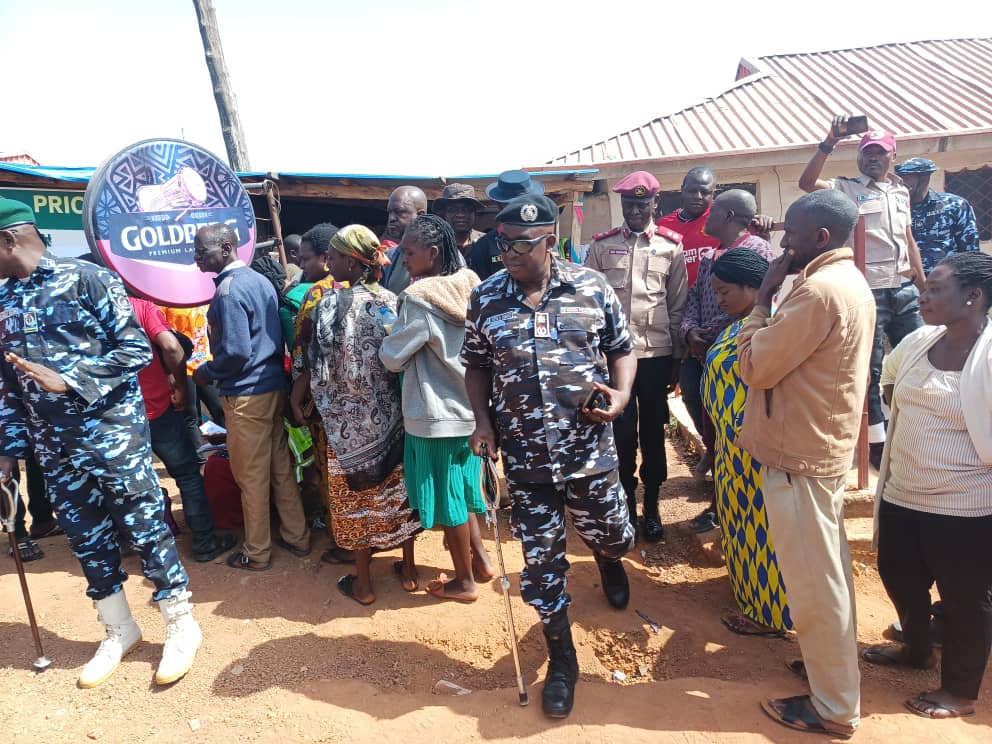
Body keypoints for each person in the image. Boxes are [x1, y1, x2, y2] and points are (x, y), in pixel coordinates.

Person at [0, 197, 201, 688]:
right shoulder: (4, 300)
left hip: (112, 436)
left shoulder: (86, 279)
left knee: (145, 527)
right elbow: (8, 383)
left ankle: (180, 625)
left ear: (7, 240)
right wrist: (6, 451)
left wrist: (68, 379)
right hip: (54, 446)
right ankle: (119, 628)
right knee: (85, 536)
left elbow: (135, 348)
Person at [462, 194, 637, 719]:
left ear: (549, 241)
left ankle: (608, 560)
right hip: (525, 459)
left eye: (519, 246)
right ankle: (563, 660)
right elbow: (475, 366)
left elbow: (622, 347)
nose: (507, 255)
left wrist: (623, 395)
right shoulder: (486, 297)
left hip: (588, 450)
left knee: (614, 534)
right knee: (541, 565)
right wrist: (483, 422)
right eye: (501, 244)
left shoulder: (590, 286)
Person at [737, 190, 875, 738]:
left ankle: (835, 707)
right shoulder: (846, 282)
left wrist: (761, 300)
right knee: (827, 575)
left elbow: (755, 365)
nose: (781, 238)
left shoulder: (816, 291)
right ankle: (831, 673)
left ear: (820, 237)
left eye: (790, 230)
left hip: (801, 456)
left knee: (817, 586)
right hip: (816, 448)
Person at [862, 252, 992, 720]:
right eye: (926, 287)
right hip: (902, 494)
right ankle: (917, 650)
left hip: (965, 507)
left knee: (964, 600)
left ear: (973, 297)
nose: (924, 295)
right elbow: (890, 378)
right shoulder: (920, 340)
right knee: (900, 577)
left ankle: (960, 691)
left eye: (937, 289)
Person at [302, 224, 421, 605]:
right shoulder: (392, 301)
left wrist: (312, 404)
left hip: (345, 428)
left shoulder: (327, 306)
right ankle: (409, 570)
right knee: (398, 495)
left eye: (335, 257)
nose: (330, 263)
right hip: (391, 419)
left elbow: (317, 369)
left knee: (355, 503)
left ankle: (365, 584)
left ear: (353, 263)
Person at [799, 119, 926, 468]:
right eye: (867, 153)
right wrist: (829, 141)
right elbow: (807, 184)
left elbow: (909, 239)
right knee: (868, 367)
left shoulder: (901, 192)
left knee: (917, 359)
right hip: (869, 290)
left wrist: (924, 284)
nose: (873, 159)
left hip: (903, 289)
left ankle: (914, 429)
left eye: (880, 153)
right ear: (858, 157)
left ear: (892, 156)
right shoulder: (847, 188)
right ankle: (876, 442)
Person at [379, 215, 493, 603]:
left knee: (447, 500)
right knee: (461, 488)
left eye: (409, 252)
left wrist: (385, 335)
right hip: (471, 411)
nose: (403, 258)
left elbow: (393, 358)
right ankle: (480, 561)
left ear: (432, 253)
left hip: (435, 415)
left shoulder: (418, 298)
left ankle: (464, 582)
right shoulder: (472, 286)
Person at [193, 223, 310, 572]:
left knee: (251, 477)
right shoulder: (260, 281)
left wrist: (207, 372)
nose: (196, 258)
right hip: (273, 387)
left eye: (202, 251)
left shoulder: (228, 291)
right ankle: (298, 537)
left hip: (246, 394)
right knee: (280, 468)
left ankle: (257, 552)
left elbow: (236, 352)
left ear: (226, 248)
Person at [584, 171, 687, 542]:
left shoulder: (671, 248)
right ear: (622, 205)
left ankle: (653, 505)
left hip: (657, 354)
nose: (635, 210)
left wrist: (676, 358)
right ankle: (626, 503)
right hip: (615, 358)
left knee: (653, 434)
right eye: (629, 204)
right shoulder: (601, 246)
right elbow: (590, 304)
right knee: (622, 434)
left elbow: (676, 306)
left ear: (654, 204)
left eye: (642, 204)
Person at [701, 248, 793, 638]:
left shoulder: (770, 328)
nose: (718, 299)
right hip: (731, 451)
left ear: (752, 287)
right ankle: (750, 597)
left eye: (724, 291)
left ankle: (770, 615)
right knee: (739, 529)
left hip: (755, 450)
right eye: (715, 292)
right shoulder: (734, 325)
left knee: (763, 533)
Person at [682, 190, 776, 532]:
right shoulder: (710, 255)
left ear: (729, 214)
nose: (705, 214)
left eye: (713, 210)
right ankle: (715, 467)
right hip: (705, 347)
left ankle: (722, 506)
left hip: (732, 348)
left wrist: (715, 334)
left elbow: (757, 303)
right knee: (698, 400)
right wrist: (692, 331)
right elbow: (695, 296)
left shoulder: (757, 251)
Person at [128, 295, 236, 562]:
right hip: (156, 408)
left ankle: (147, 551)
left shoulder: (77, 313)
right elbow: (173, 348)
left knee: (129, 485)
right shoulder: (140, 307)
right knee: (188, 475)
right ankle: (204, 543)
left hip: (116, 418)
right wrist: (177, 384)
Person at [894, 157, 981, 275]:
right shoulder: (894, 207)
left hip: (947, 283)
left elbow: (970, 252)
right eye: (900, 177)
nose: (901, 183)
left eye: (907, 178)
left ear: (924, 178)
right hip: (908, 285)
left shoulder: (954, 205)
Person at [468, 170, 546, 280]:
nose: (517, 210)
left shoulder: (544, 239)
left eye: (521, 204)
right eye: (510, 205)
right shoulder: (484, 245)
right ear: (499, 206)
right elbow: (479, 286)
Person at [657, 166, 720, 290]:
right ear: (682, 190)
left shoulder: (722, 218)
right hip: (679, 303)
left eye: (705, 192)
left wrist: (761, 221)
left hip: (716, 301)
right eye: (692, 191)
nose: (698, 196)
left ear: (713, 194)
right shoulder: (663, 226)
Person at [382, 186, 429, 294]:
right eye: (390, 212)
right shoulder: (388, 257)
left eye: (400, 212)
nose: (392, 218)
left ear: (420, 216)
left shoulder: (444, 257)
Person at [433, 183, 486, 260]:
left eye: (466, 209)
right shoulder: (434, 244)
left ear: (475, 213)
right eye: (453, 210)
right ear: (444, 213)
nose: (460, 215)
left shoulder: (486, 242)